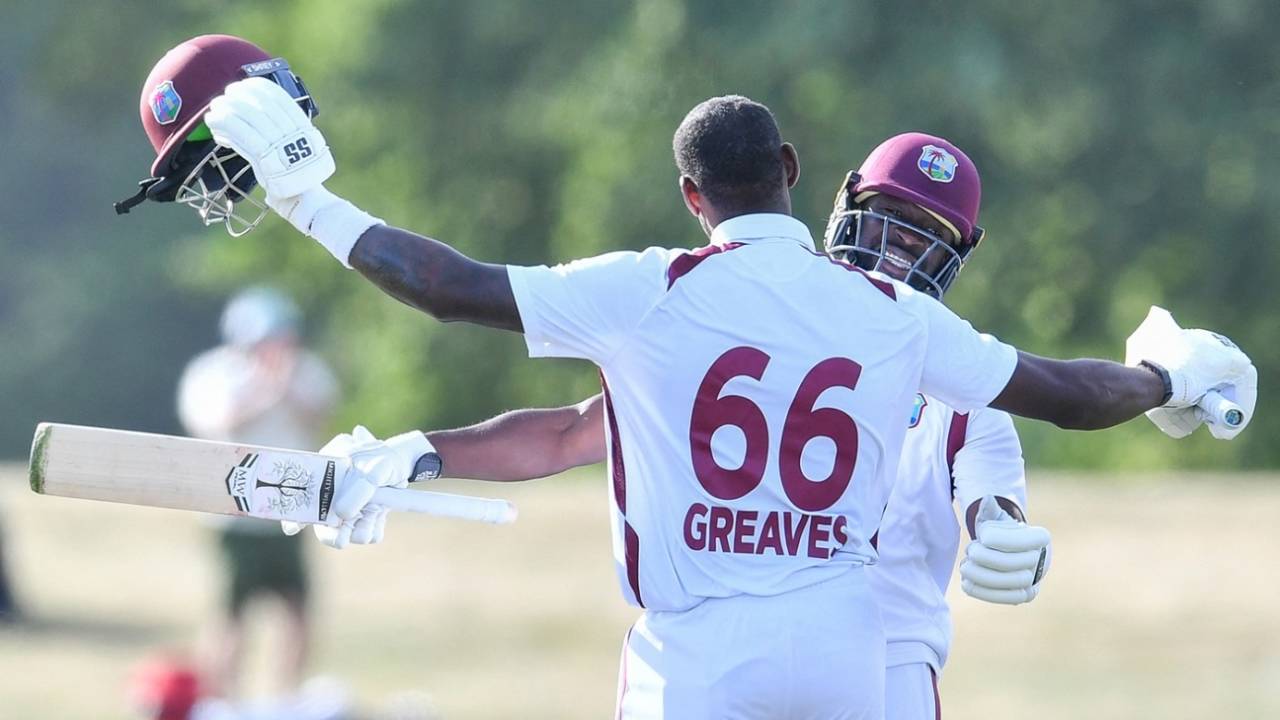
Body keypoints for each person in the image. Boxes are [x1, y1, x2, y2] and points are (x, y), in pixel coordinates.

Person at [124, 35, 1256, 718]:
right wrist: (1164, 377)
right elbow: (1069, 392)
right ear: (795, 173)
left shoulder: (650, 291)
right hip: (846, 647)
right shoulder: (897, 317)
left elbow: (448, 288)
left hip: (700, 650)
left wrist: (305, 201)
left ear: (689, 196)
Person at [334, 133, 1045, 720]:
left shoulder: (965, 380)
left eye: (926, 237)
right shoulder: (774, 308)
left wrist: (1003, 529)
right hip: (791, 644)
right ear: (849, 206)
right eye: (890, 216)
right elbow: (575, 433)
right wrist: (421, 450)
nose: (897, 248)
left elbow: (992, 496)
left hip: (883, 657)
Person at [177, 286, 340, 698]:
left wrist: (288, 386)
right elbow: (218, 422)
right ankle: (225, 699)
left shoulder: (306, 370)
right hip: (234, 514)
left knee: (298, 612)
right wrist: (267, 388)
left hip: (290, 510)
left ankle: (287, 697)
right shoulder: (214, 372)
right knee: (231, 615)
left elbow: (321, 416)